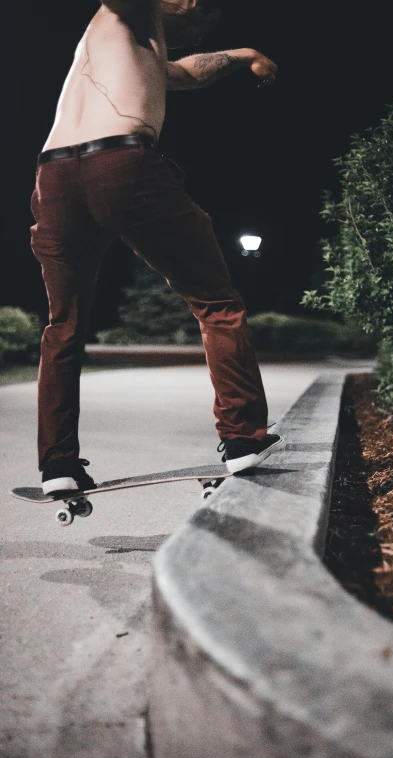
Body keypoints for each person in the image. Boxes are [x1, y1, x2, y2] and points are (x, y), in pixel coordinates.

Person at [30, 0, 284, 496]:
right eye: (203, 20)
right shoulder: (133, 10)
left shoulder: (131, 45)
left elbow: (186, 73)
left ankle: (57, 463)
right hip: (122, 165)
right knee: (217, 302)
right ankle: (242, 439)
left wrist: (241, 55)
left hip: (54, 176)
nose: (199, 32)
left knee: (63, 324)